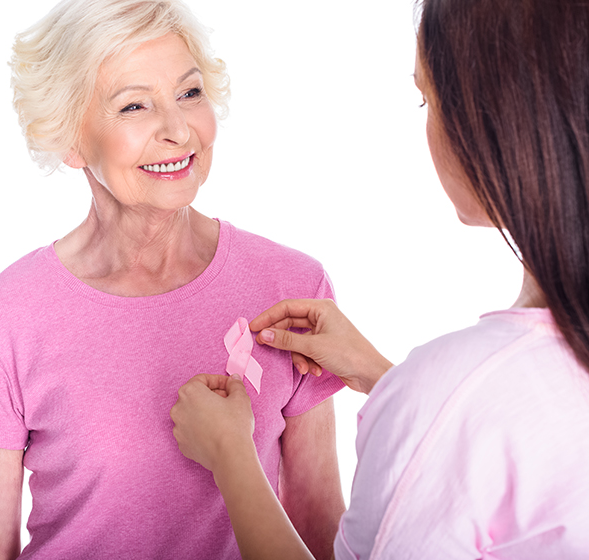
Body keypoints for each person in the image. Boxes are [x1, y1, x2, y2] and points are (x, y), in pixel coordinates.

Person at [0, 1, 346, 558]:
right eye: (134, 106)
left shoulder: (293, 287)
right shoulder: (0, 321)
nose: (177, 130)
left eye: (190, 93)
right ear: (70, 139)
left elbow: (319, 523)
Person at [171, 0, 589, 558]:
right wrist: (390, 381)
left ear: (493, 123)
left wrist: (232, 458)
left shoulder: (446, 396)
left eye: (427, 98)